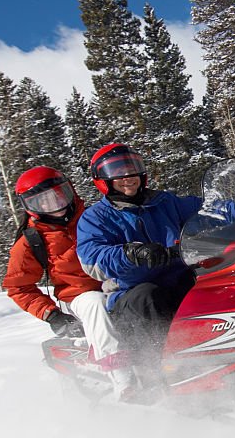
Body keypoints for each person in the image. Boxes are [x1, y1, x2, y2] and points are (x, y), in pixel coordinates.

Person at [3, 165, 139, 401]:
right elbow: (18, 286)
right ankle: (123, 380)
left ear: (69, 191)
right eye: (41, 201)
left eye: (58, 194)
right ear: (30, 206)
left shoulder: (94, 216)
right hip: (79, 296)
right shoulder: (31, 240)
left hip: (117, 283)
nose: (52, 204)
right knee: (95, 303)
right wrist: (51, 314)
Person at [75, 144, 203, 386]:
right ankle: (160, 376)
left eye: (131, 170)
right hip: (129, 293)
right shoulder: (96, 217)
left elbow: (204, 209)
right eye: (117, 172)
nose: (127, 178)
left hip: (179, 276)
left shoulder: (165, 202)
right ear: (103, 180)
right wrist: (131, 253)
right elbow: (92, 257)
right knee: (149, 296)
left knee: (211, 284)